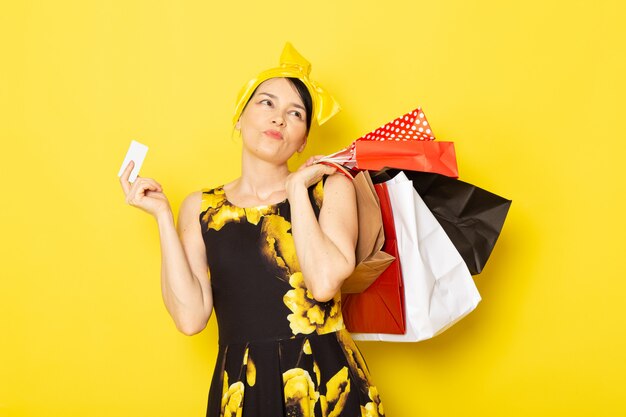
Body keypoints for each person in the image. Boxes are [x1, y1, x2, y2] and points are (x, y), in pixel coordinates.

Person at [119, 43, 385, 417]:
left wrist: (296, 191)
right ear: (240, 118)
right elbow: (190, 319)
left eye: (296, 113)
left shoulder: (329, 188)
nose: (279, 119)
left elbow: (324, 283)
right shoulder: (200, 208)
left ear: (304, 138)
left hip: (327, 384)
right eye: (267, 103)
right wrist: (163, 216)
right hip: (243, 386)